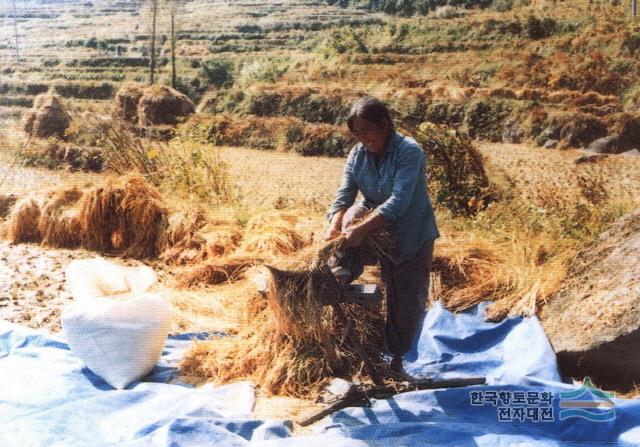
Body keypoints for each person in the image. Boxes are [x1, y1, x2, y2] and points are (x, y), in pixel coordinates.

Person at [325, 97, 439, 375]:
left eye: (368, 131)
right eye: (356, 133)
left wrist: (361, 230)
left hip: (410, 234)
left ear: (385, 125)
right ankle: (333, 278)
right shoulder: (358, 154)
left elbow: (399, 202)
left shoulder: (409, 152)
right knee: (351, 216)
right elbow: (345, 195)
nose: (363, 138)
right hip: (376, 230)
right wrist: (334, 226)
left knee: (405, 303)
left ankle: (397, 361)